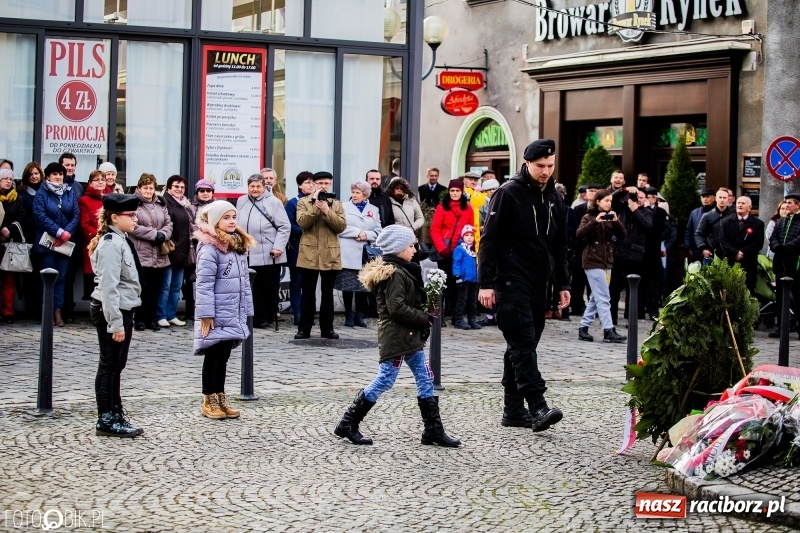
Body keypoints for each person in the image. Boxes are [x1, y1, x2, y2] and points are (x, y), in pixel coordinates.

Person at [333, 224, 460, 447]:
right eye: (411, 245)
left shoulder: (404, 269)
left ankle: (433, 430)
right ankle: (349, 422)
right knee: (385, 379)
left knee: (425, 377)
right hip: (397, 336)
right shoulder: (394, 274)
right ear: (398, 248)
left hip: (409, 336)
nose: (415, 249)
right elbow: (396, 308)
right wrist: (424, 317)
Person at [478, 138, 570, 432]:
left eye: (550, 166)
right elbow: (489, 240)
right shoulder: (508, 193)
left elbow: (559, 243)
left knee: (520, 347)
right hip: (510, 279)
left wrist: (562, 283)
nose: (546, 171)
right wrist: (486, 284)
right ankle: (538, 405)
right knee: (523, 343)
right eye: (540, 166)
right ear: (527, 163)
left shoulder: (554, 196)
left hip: (539, 283)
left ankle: (513, 410)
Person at [87, 193, 144, 437]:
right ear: (113, 217)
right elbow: (109, 288)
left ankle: (115, 411)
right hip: (112, 310)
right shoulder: (111, 243)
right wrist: (115, 323)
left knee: (116, 365)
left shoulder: (121, 240)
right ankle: (106, 417)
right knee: (109, 364)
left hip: (124, 309)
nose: (135, 219)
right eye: (130, 215)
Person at [193, 200, 255, 419]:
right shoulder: (210, 247)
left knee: (224, 356)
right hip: (216, 313)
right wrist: (206, 314)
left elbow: (244, 281)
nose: (231, 221)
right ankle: (208, 399)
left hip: (232, 311)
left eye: (233, 217)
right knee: (213, 356)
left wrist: (246, 309)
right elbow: (204, 284)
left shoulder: (236, 244)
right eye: (226, 217)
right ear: (215, 221)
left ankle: (220, 395)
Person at [295, 171, 347, 339]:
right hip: (308, 254)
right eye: (320, 183)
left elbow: (341, 227)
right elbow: (303, 222)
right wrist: (316, 207)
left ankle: (327, 329)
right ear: (314, 184)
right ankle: (304, 329)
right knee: (307, 294)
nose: (324, 186)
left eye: (327, 183)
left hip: (330, 253)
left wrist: (327, 211)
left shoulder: (337, 204)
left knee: (327, 294)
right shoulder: (303, 202)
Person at [237, 173, 290, 328]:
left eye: (258, 186)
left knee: (268, 286)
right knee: (252, 287)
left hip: (269, 251)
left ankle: (267, 316)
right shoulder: (241, 200)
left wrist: (278, 247)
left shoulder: (274, 202)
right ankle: (256, 318)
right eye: (252, 186)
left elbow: (284, 227)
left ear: (264, 187)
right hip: (247, 251)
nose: (255, 189)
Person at [575, 189, 627, 343]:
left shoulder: (611, 217)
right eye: (606, 201)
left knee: (596, 297)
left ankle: (583, 327)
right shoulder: (588, 217)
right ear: (597, 202)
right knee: (604, 296)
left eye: (610, 201)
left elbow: (623, 235)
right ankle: (608, 330)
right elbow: (579, 234)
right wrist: (595, 221)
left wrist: (616, 221)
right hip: (592, 260)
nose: (608, 203)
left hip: (607, 260)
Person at [33, 162, 81, 327]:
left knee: (61, 278)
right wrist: (59, 232)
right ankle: (47, 312)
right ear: (47, 176)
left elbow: (75, 213)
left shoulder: (68, 191)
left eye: (60, 174)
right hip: (47, 243)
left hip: (65, 243)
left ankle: (58, 312)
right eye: (55, 174)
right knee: (48, 278)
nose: (58, 177)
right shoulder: (42, 193)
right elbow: (40, 215)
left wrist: (67, 232)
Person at [129, 174, 173, 332]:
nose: (148, 191)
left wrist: (163, 235)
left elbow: (168, 223)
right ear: (139, 188)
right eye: (145, 187)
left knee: (156, 288)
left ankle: (152, 319)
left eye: (151, 188)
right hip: (142, 253)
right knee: (142, 288)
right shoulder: (134, 203)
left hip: (159, 253)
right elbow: (132, 226)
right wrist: (154, 235)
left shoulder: (161, 203)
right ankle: (139, 318)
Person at [336, 180, 381, 328]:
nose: (354, 195)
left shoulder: (373, 209)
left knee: (363, 286)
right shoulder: (343, 206)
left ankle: (359, 315)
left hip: (365, 253)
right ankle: (348, 314)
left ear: (365, 195)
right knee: (348, 285)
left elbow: (379, 230)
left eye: (358, 193)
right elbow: (339, 227)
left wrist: (366, 235)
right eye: (353, 192)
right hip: (348, 251)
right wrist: (357, 232)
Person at [430, 179, 474, 324]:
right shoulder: (442, 207)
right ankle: (439, 316)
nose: (455, 193)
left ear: (462, 192)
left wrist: (468, 249)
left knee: (458, 285)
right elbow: (435, 229)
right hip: (445, 251)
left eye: (458, 191)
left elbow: (470, 229)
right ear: (449, 192)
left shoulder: (468, 209)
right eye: (452, 191)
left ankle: (457, 316)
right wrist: (442, 248)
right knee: (443, 284)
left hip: (460, 252)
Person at [608, 187, 652, 326]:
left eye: (641, 197)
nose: (638, 199)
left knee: (632, 289)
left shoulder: (647, 212)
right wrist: (624, 190)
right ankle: (612, 317)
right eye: (636, 197)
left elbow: (647, 226)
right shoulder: (622, 208)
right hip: (618, 253)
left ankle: (629, 318)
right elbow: (611, 198)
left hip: (635, 256)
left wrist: (636, 210)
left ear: (645, 199)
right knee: (614, 288)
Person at [158, 175, 193, 327]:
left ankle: (171, 314)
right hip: (169, 249)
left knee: (176, 286)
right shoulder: (165, 202)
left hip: (182, 251)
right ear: (169, 188)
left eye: (182, 187)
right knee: (165, 286)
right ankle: (161, 315)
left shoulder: (184, 204)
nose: (179, 189)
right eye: (176, 186)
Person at [768, 192, 800, 339]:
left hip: (795, 265)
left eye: (789, 203)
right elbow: (773, 237)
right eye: (786, 203)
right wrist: (777, 246)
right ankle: (781, 329)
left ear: (797, 205)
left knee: (798, 298)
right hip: (780, 265)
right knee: (780, 299)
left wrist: (787, 248)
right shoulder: (782, 221)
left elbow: (798, 240)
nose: (786, 206)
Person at [284, 171, 314, 326]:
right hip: (298, 247)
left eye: (312, 182)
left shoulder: (318, 201)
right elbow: (288, 226)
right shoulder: (292, 203)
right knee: (297, 281)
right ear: (299, 185)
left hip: (315, 249)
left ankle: (309, 313)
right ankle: (298, 313)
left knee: (310, 283)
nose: (311, 185)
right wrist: (306, 231)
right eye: (307, 182)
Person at [719, 196, 764, 294]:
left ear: (749, 207)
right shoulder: (726, 222)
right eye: (738, 203)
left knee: (748, 290)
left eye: (743, 203)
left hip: (748, 263)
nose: (740, 205)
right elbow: (723, 241)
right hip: (730, 261)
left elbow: (758, 243)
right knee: (730, 291)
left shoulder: (758, 224)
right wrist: (735, 253)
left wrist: (743, 252)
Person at [186, 179, 216, 319]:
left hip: (214, 246)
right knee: (194, 278)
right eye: (202, 191)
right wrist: (205, 232)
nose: (205, 193)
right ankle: (193, 311)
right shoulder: (190, 208)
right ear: (197, 193)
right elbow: (190, 225)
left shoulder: (218, 206)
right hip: (196, 245)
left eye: (208, 191)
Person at [16, 162, 43, 318]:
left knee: (42, 275)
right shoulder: (21, 193)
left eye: (36, 173)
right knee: (29, 275)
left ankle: (41, 310)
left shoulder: (45, 191)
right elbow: (22, 215)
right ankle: (31, 308)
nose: (34, 176)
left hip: (44, 238)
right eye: (31, 174)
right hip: (28, 237)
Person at [570, 183, 601, 316]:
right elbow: (574, 229)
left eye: (595, 191)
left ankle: (594, 309)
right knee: (578, 279)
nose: (592, 194)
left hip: (596, 250)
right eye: (590, 191)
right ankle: (576, 306)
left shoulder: (603, 211)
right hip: (580, 249)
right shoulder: (578, 209)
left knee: (594, 282)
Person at [0, 168, 25, 323]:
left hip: (10, 243)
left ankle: (8, 312)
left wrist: (9, 229)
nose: (9, 181)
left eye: (11, 178)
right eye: (5, 178)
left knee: (9, 280)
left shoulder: (18, 199)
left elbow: (22, 217)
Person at [78, 170, 107, 301]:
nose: (100, 182)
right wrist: (100, 236)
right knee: (93, 279)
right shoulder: (84, 200)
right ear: (90, 183)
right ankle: (94, 311)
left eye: (103, 179)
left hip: (110, 244)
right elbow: (85, 225)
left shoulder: (111, 197)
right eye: (97, 179)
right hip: (93, 244)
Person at [642, 187, 668, 320]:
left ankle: (653, 310)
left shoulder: (661, 212)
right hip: (641, 250)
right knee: (641, 282)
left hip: (654, 250)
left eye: (651, 197)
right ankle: (640, 309)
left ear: (655, 199)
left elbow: (658, 227)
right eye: (646, 197)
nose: (648, 199)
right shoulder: (640, 210)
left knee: (654, 282)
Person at [452, 225, 480, 330]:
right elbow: (456, 263)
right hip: (464, 278)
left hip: (474, 278)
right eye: (467, 235)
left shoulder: (476, 249)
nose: (469, 237)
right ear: (463, 236)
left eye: (471, 235)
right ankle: (459, 319)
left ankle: (472, 319)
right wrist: (457, 275)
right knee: (462, 299)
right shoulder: (460, 249)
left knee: (472, 300)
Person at [694, 188, 732, 261]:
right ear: (715, 198)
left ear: (728, 199)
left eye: (724, 198)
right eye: (720, 197)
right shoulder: (707, 216)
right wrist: (703, 248)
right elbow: (699, 234)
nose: (722, 200)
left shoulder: (733, 216)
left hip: (729, 254)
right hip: (711, 253)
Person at [685, 188, 716, 263]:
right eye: (703, 197)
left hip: (712, 251)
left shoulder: (717, 212)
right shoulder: (694, 213)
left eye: (707, 197)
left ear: (714, 198)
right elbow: (689, 230)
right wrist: (688, 247)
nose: (705, 199)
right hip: (696, 250)